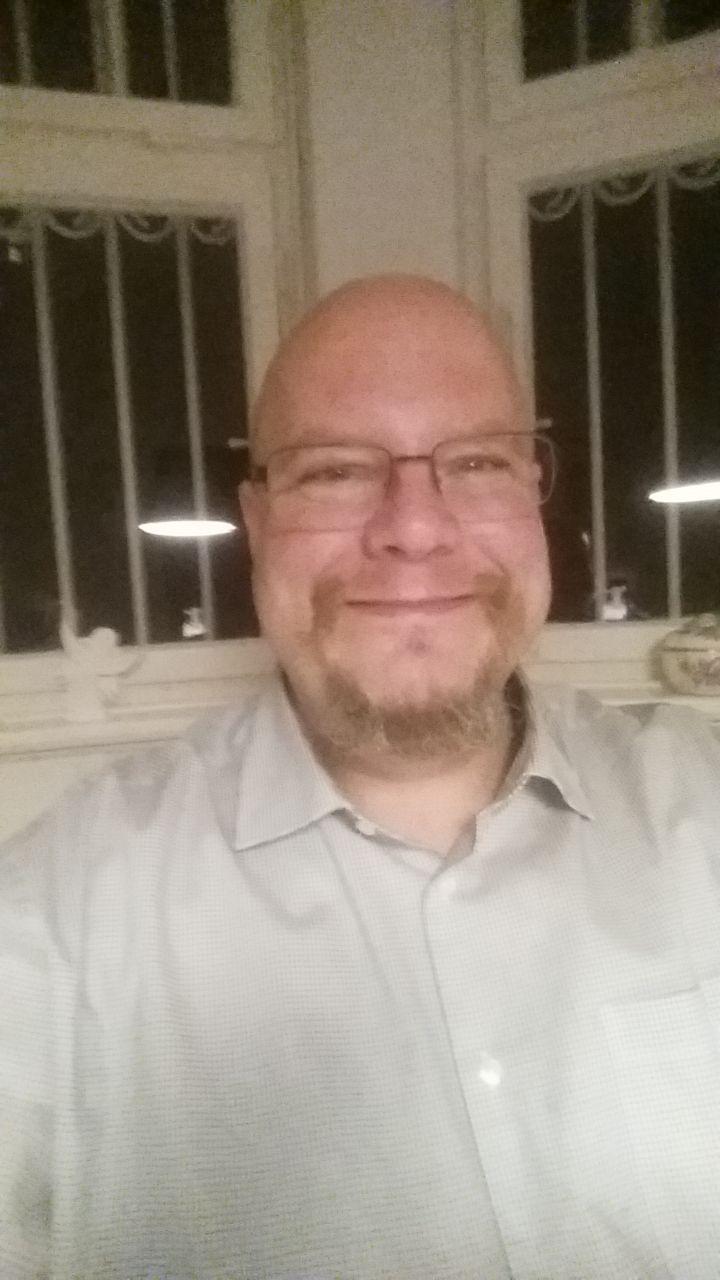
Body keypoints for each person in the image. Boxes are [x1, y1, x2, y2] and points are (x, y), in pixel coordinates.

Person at [1, 275, 720, 1280]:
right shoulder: (54, 918)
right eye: (335, 471)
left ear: (533, 495)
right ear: (257, 523)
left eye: (478, 462)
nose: (415, 528)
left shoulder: (702, 801)